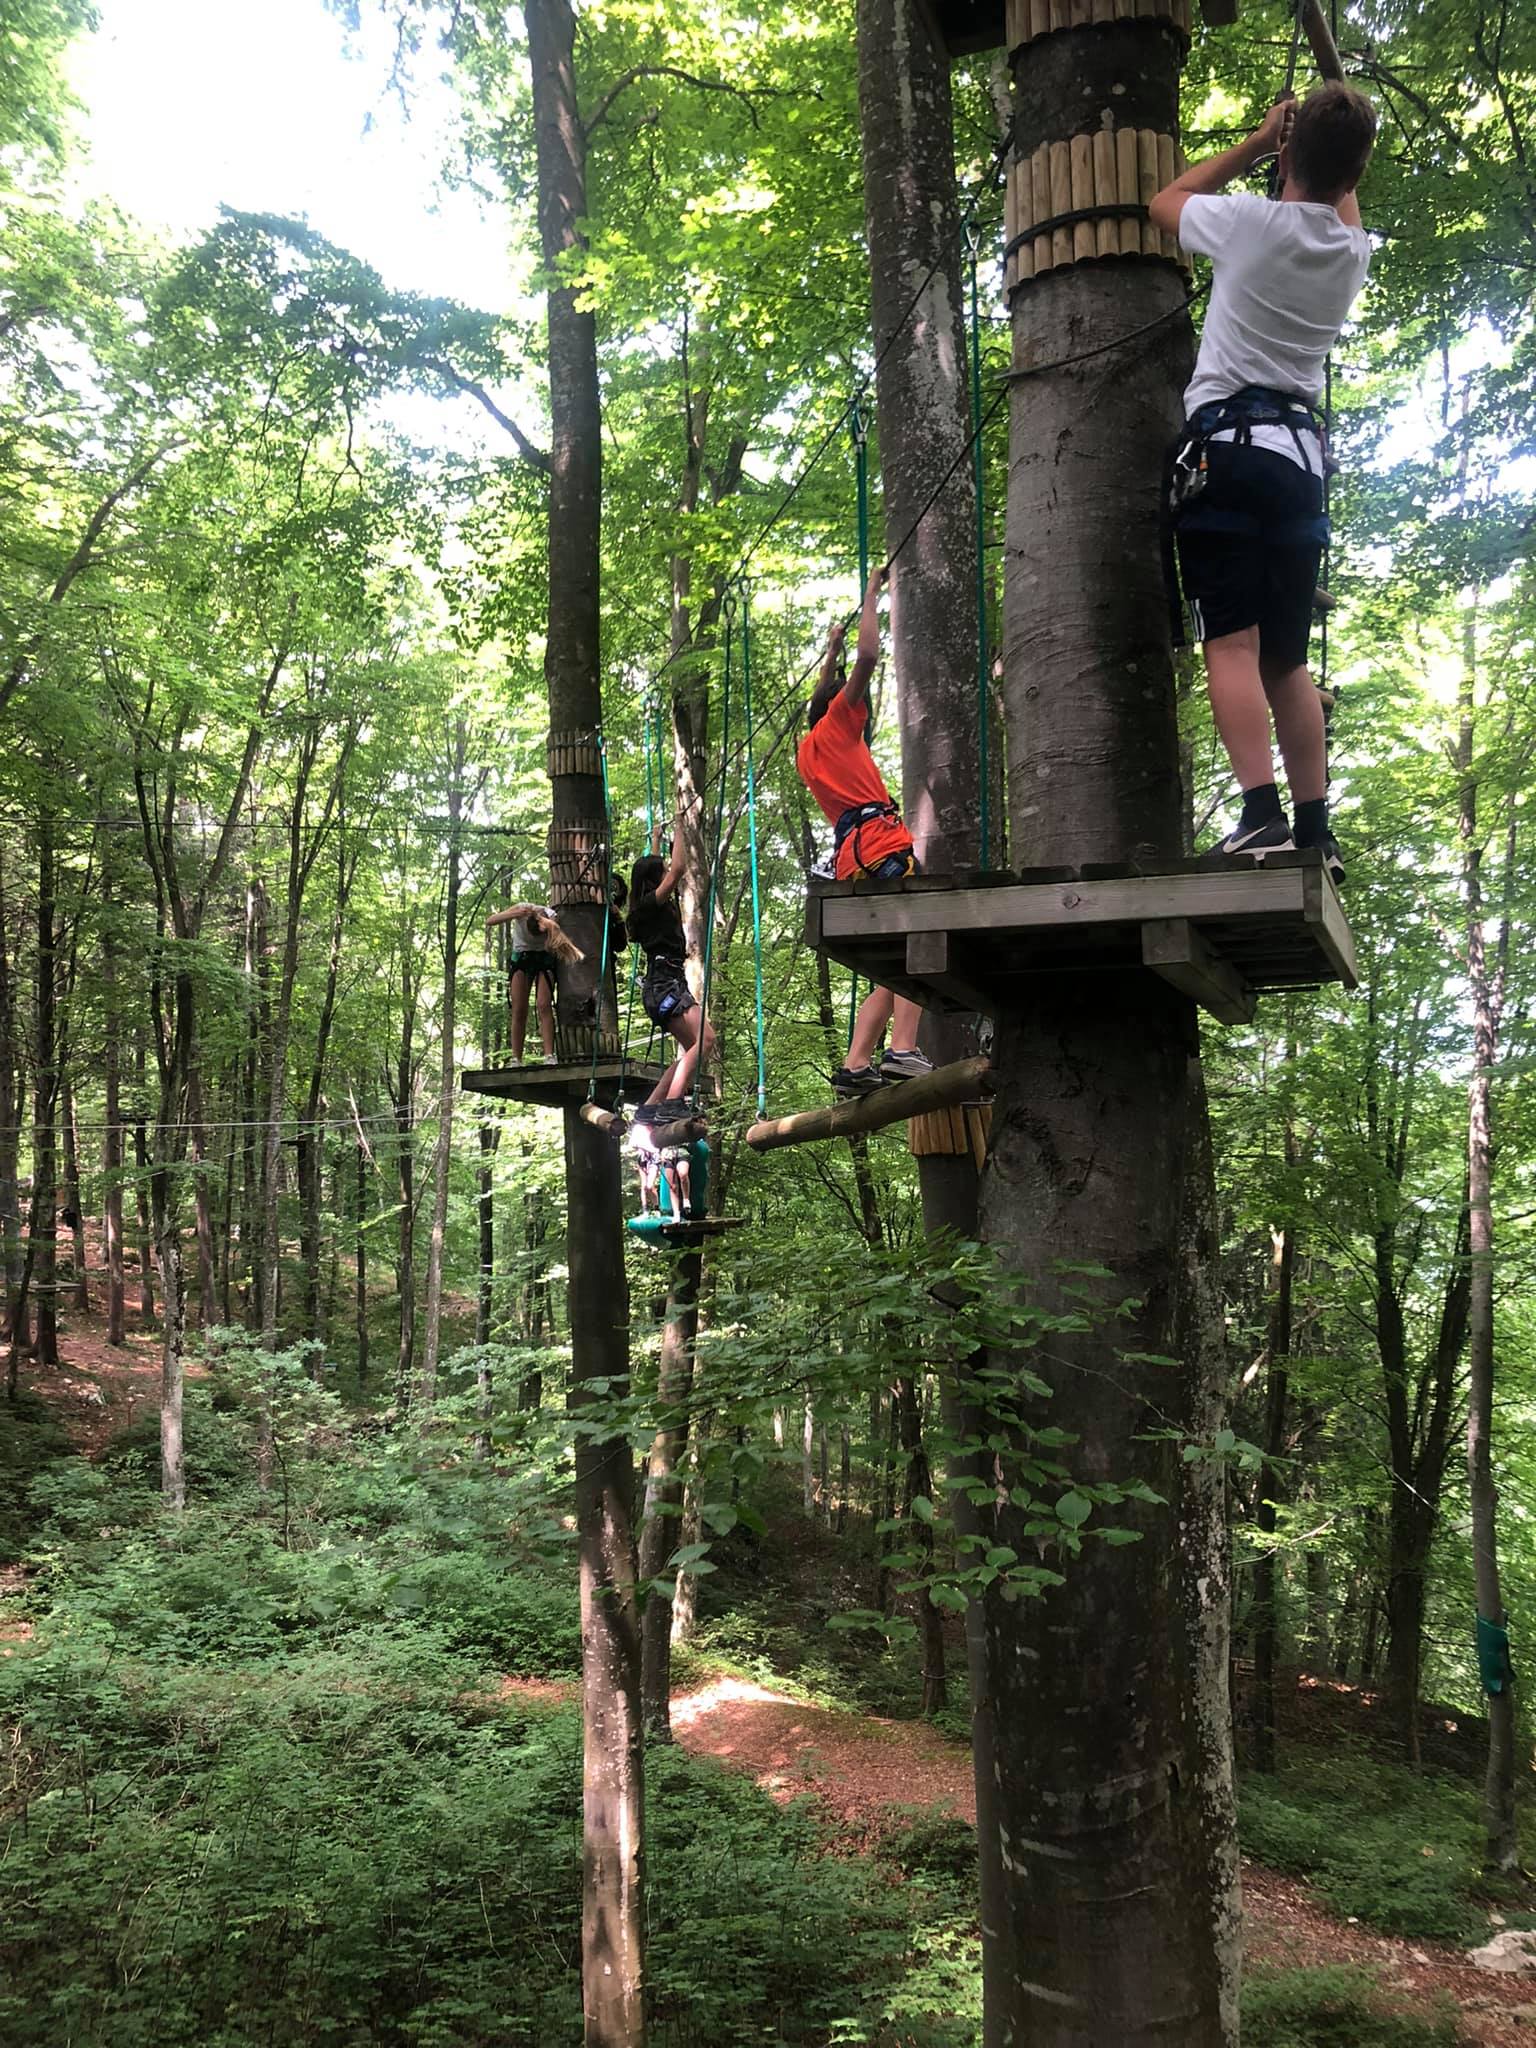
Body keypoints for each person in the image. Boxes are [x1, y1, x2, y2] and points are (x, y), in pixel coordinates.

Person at [1151, 81, 1377, 883]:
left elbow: (1165, 203)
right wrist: (1313, 153)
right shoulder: (1350, 254)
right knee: (1285, 657)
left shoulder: (1249, 223)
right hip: (1297, 464)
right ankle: (1315, 827)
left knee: (1232, 644)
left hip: (1230, 454)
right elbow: (1340, 202)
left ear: (1289, 158)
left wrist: (1254, 144)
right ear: (1354, 174)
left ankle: (1260, 818)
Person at [798, 567, 933, 1099]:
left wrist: (829, 649)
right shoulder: (838, 721)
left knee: (895, 966)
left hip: (854, 858)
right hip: (881, 846)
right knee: (924, 938)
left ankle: (856, 1063)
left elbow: (821, 696)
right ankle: (901, 1049)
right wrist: (873, 594)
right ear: (843, 706)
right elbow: (869, 659)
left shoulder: (808, 751)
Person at [627, 813, 717, 1128]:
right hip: (665, 985)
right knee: (706, 1040)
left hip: (663, 984)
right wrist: (681, 824)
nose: (667, 869)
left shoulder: (643, 906)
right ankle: (673, 1101)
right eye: (660, 871)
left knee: (693, 1048)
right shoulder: (650, 905)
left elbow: (663, 867)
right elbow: (678, 869)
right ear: (655, 881)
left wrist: (656, 836)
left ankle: (650, 1108)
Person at [485, 901, 583, 1063]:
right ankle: (516, 1058)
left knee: (544, 1004)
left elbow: (562, 943)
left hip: (543, 959)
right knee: (519, 1008)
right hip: (522, 958)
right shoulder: (521, 909)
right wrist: (515, 913)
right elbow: (490, 920)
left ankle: (549, 1055)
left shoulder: (551, 918)